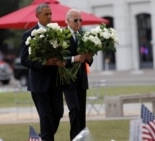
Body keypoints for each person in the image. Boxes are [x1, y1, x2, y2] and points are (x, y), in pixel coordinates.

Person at [20, 3, 64, 141]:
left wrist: (61, 61)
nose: (49, 17)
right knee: (45, 116)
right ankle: (46, 138)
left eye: (50, 14)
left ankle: (41, 137)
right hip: (39, 83)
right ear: (37, 16)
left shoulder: (57, 33)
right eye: (46, 14)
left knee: (58, 113)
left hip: (55, 81)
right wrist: (42, 63)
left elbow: (63, 52)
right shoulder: (28, 35)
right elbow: (24, 60)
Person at [63, 8, 94, 141]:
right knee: (74, 110)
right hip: (68, 79)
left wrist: (88, 56)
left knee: (81, 112)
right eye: (75, 20)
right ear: (68, 21)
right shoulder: (62, 36)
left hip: (81, 78)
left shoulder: (83, 36)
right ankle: (74, 138)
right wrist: (73, 58)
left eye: (80, 20)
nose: (78, 23)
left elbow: (89, 60)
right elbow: (60, 59)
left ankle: (82, 138)